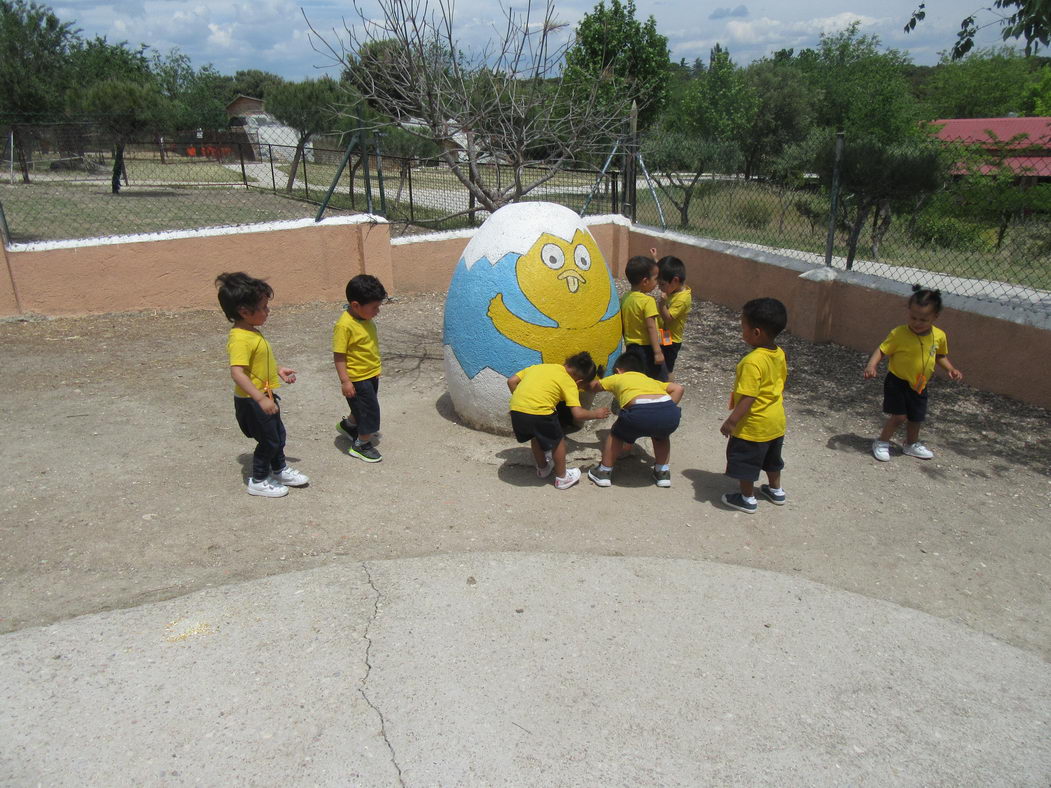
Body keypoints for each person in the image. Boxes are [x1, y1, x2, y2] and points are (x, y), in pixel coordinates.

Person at [216, 272, 309, 498]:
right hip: (252, 401)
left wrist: (278, 371)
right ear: (244, 312)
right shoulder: (239, 338)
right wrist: (259, 399)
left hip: (266, 395)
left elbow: (256, 364)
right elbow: (237, 373)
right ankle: (258, 480)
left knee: (278, 434)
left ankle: (278, 469)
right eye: (264, 307)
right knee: (269, 439)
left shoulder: (252, 332)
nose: (268, 311)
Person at [863, 286, 963, 462]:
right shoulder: (899, 333)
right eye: (913, 317)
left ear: (935, 317)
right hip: (898, 381)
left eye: (923, 319)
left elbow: (939, 355)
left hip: (920, 383)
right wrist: (872, 365)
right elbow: (882, 349)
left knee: (916, 417)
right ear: (908, 312)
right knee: (899, 416)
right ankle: (882, 441)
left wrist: (950, 369)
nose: (917, 322)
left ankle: (911, 444)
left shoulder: (939, 336)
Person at [720, 297, 788, 514]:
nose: (742, 331)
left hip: (753, 425)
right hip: (776, 421)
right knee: (772, 459)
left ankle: (746, 498)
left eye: (743, 327)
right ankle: (776, 490)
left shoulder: (752, 361)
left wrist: (731, 422)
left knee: (746, 463)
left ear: (756, 332)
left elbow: (749, 396)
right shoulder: (779, 353)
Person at [507, 351, 611, 490]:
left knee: (535, 436)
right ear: (579, 381)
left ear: (566, 363)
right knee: (558, 442)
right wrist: (595, 414)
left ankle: (542, 469)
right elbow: (578, 414)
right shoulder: (569, 382)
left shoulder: (539, 367)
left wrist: (524, 401)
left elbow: (511, 381)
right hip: (540, 412)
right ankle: (562, 478)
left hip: (517, 410)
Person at [587, 352, 684, 488]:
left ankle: (604, 472)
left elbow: (594, 387)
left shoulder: (618, 378)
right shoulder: (650, 380)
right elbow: (678, 388)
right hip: (669, 415)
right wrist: (663, 409)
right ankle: (662, 473)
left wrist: (584, 381)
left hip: (639, 414)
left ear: (618, 370)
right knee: (661, 435)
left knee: (616, 434)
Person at [333, 274, 388, 463]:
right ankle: (361, 445)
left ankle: (349, 426)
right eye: (374, 308)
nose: (377, 311)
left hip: (370, 374)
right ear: (356, 305)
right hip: (357, 379)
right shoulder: (344, 326)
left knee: (362, 409)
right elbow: (339, 356)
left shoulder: (364, 318)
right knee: (370, 412)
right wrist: (345, 381)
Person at [620, 255, 667, 380]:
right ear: (645, 281)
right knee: (660, 381)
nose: (657, 283)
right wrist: (657, 352)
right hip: (647, 349)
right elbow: (651, 327)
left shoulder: (626, 298)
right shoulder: (648, 301)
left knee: (638, 379)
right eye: (656, 279)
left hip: (631, 347)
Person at [655, 255, 693, 377]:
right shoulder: (673, 288)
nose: (659, 288)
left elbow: (668, 318)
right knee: (660, 363)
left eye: (662, 284)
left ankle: (670, 390)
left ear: (675, 281)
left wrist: (661, 304)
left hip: (672, 340)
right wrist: (655, 258)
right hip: (664, 333)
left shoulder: (682, 299)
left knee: (667, 368)